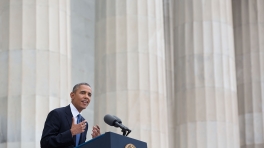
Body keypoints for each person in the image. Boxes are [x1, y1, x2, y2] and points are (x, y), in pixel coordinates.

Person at [40, 83, 100, 148]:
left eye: (89, 94)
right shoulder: (57, 114)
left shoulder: (84, 123)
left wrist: (95, 141)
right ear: (72, 95)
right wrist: (71, 133)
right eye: (82, 93)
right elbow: (45, 143)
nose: (86, 97)